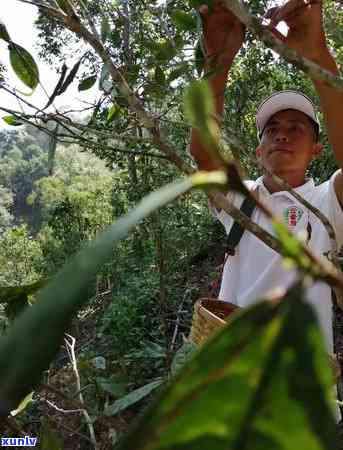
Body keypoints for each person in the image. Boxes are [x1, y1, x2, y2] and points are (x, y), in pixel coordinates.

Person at [190, 0, 343, 355]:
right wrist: (218, 60)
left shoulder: (327, 203)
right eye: (271, 130)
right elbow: (203, 154)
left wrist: (317, 53)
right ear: (259, 152)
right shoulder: (241, 199)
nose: (282, 135)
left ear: (316, 151)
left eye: (296, 129)